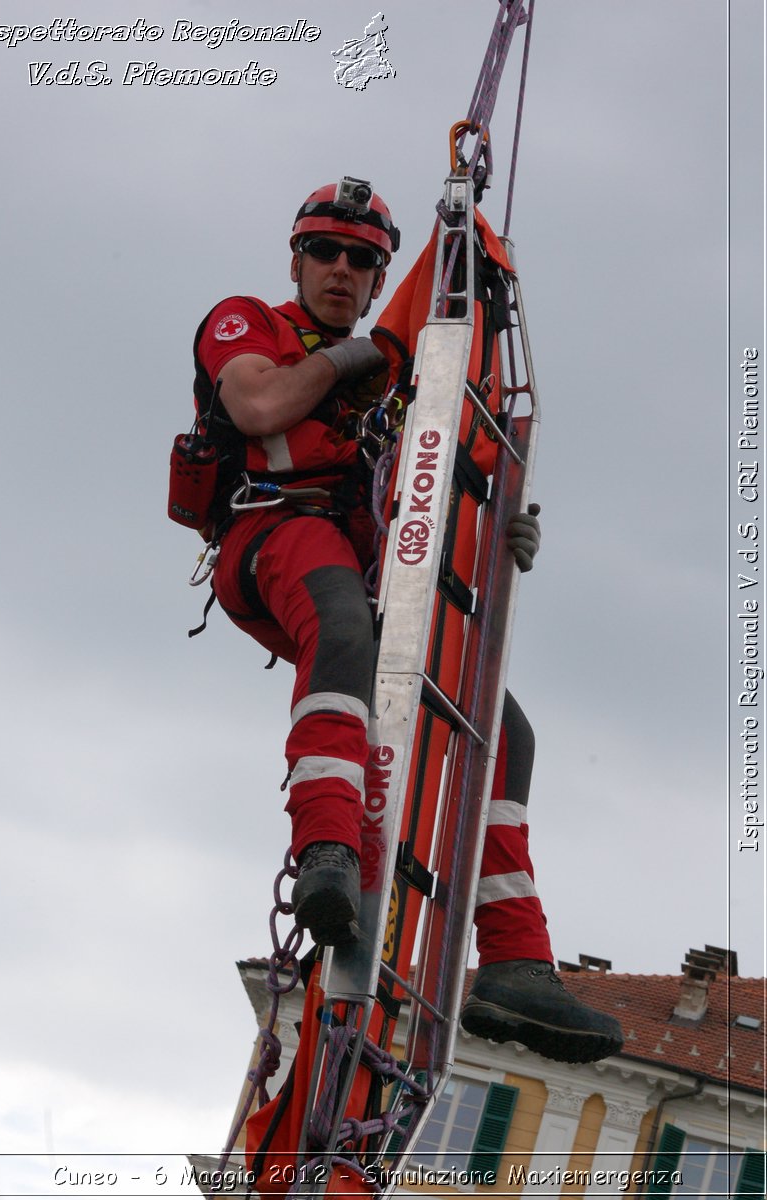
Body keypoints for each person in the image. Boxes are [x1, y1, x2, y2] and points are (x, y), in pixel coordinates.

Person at [191, 178, 623, 1064]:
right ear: (297, 258)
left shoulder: (396, 384)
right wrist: (349, 364)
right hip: (272, 530)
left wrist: (497, 526)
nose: (342, 271)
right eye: (326, 252)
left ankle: (514, 960)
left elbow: (421, 475)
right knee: (344, 629)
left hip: (358, 558)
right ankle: (326, 851)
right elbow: (261, 409)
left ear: (383, 275)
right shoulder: (248, 324)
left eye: (364, 261)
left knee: (506, 731)